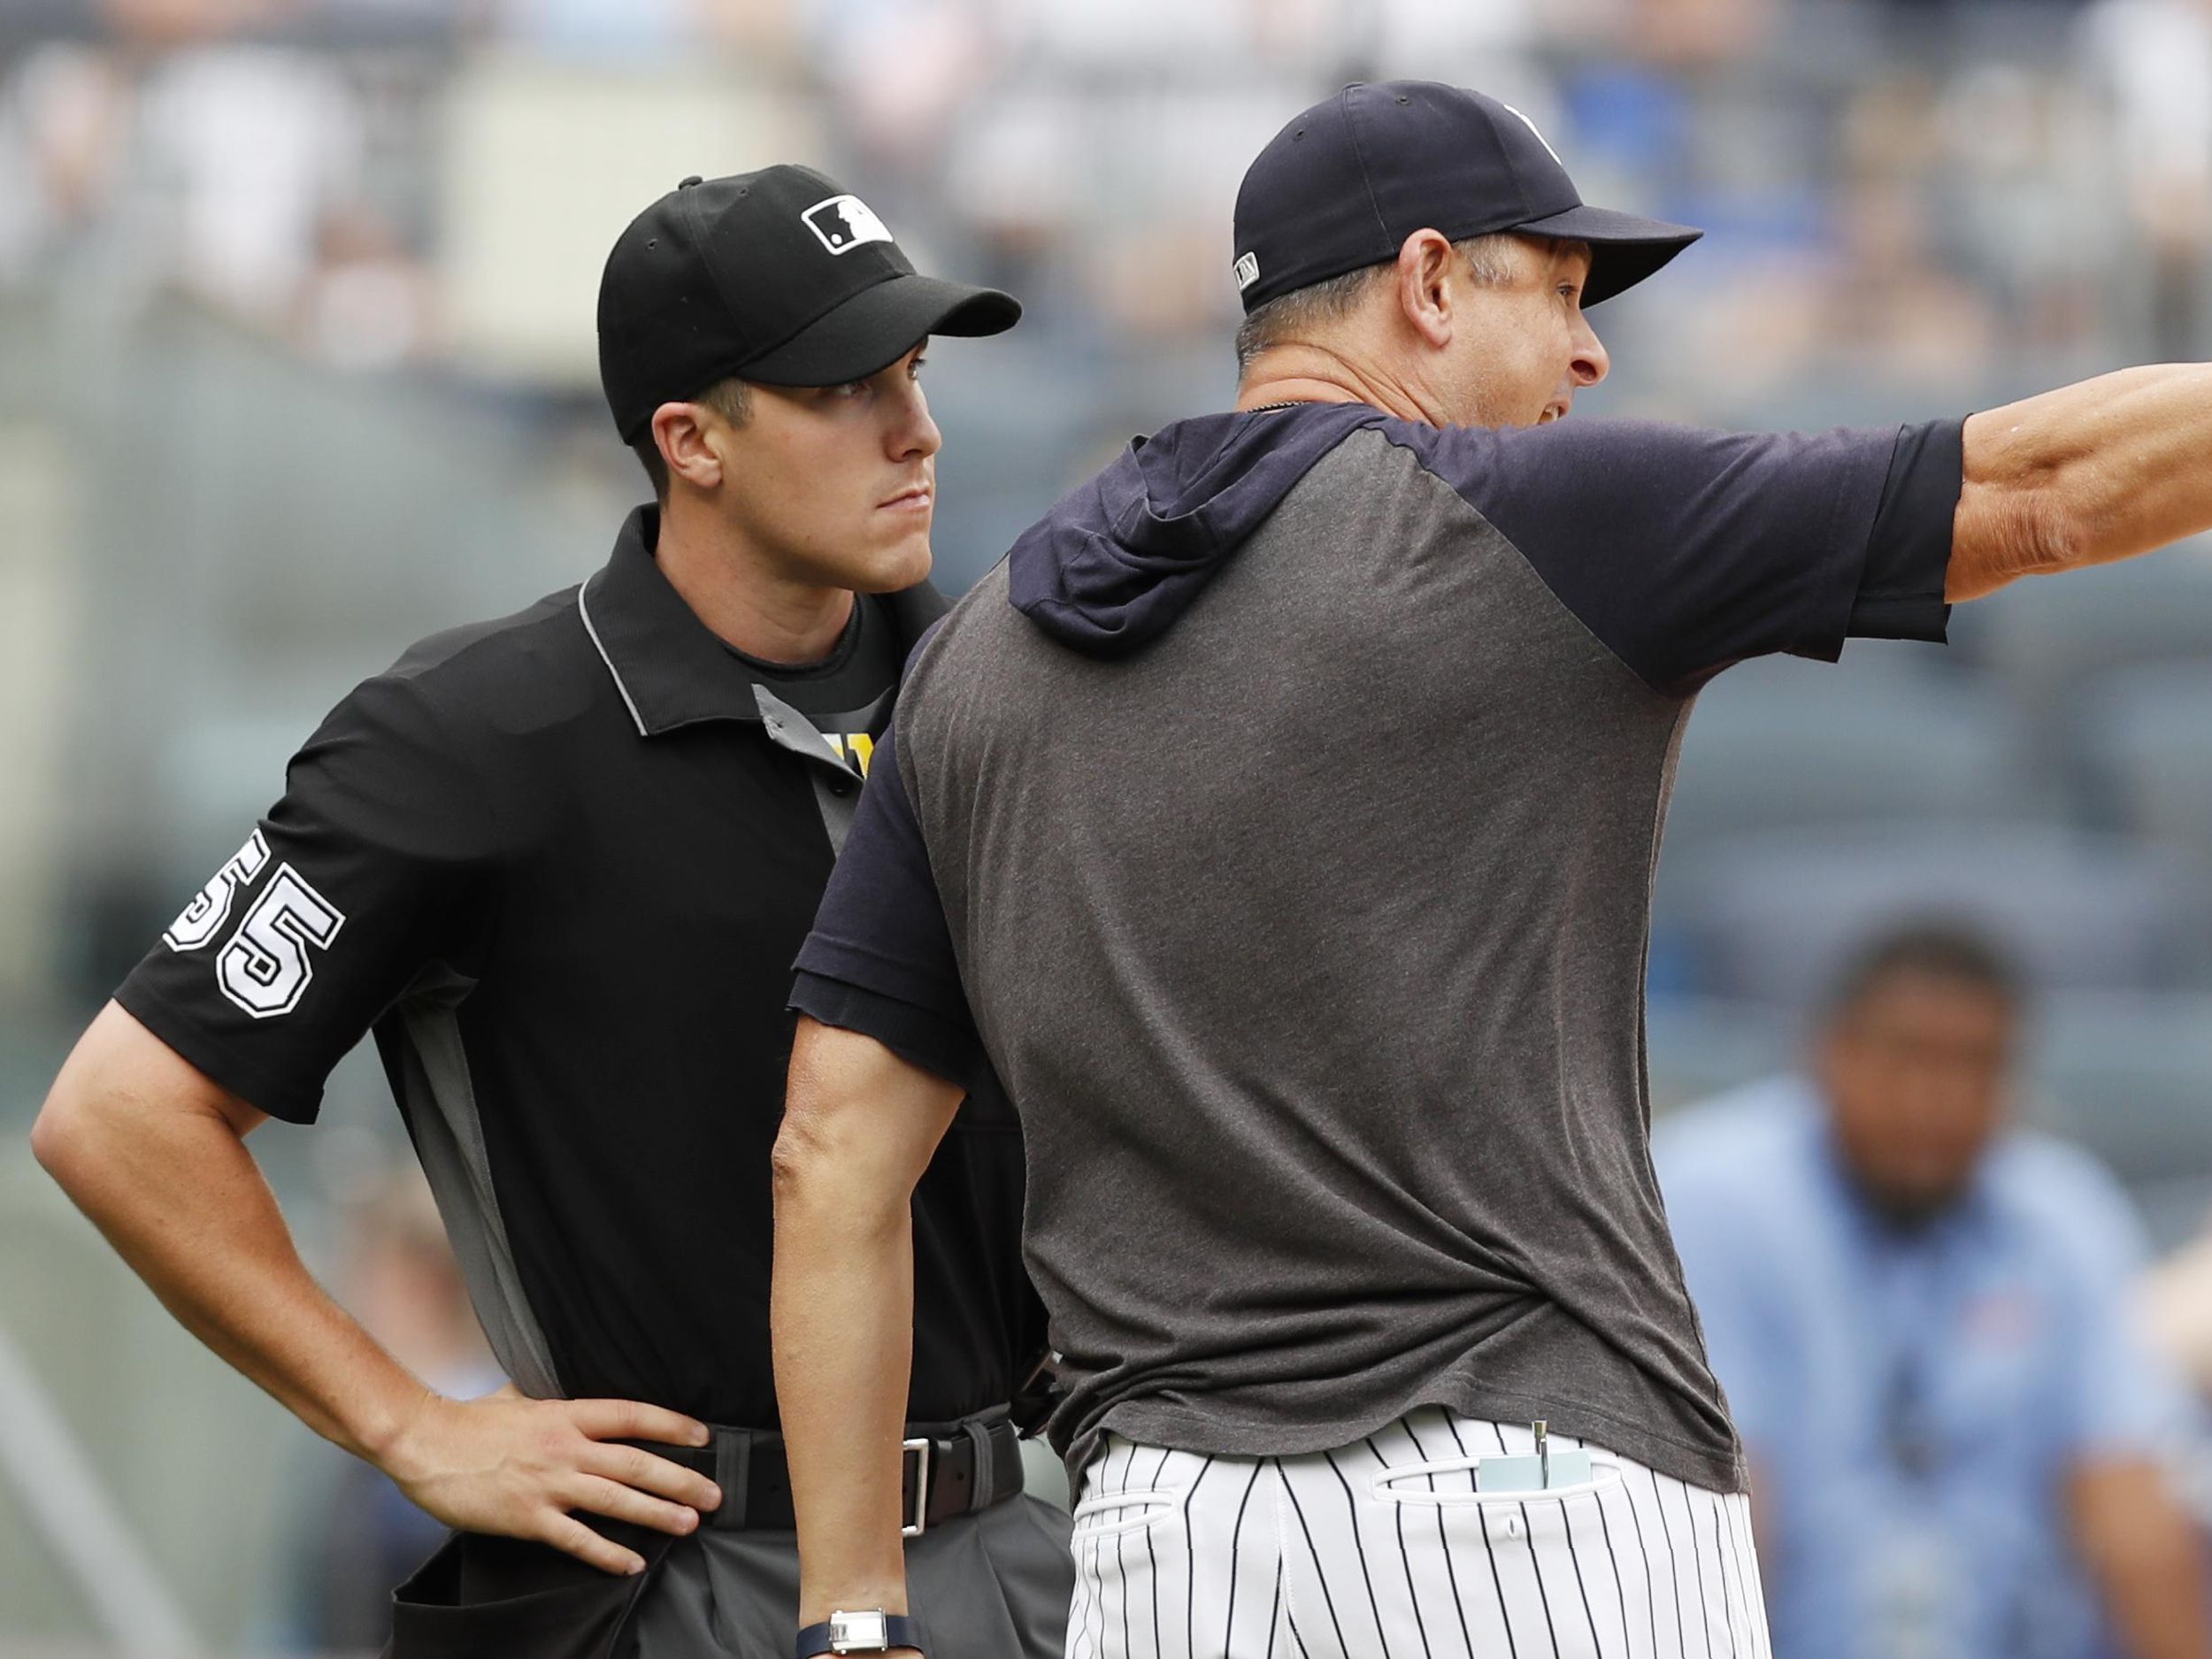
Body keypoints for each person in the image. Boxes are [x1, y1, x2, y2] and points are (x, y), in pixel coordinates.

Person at [764, 79, 2212, 1659]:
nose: (1592, 355)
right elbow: (2046, 493)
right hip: (1530, 1503)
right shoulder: (1534, 521)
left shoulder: (981, 652)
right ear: (1432, 281)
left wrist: (851, 1616)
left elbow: (831, 1157)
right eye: (1567, 296)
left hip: (1165, 1547)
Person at [30, 165, 1072, 1659]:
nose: (920, 430)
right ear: (690, 440)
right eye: (849, 388)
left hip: (1019, 1551)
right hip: (677, 1580)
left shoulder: (998, 691)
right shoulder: (475, 738)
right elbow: (119, 1115)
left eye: (914, 373)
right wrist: (408, 1422)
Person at [1655, 924, 2209, 1659]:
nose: (1932, 1100)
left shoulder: (2062, 1209)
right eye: (1904, 1059)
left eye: (1972, 1067)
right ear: (1829, 1052)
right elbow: (1717, 1504)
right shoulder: (1713, 1193)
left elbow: (2128, 1504)